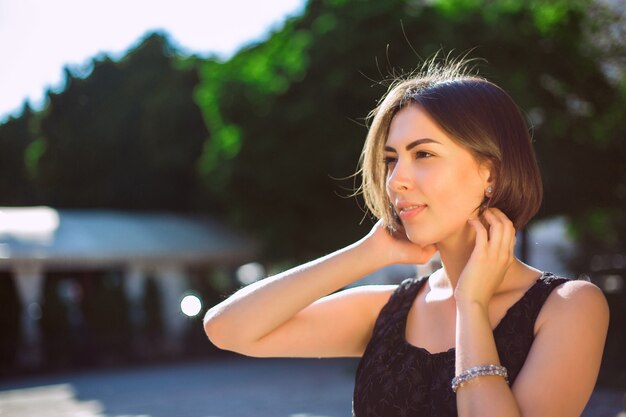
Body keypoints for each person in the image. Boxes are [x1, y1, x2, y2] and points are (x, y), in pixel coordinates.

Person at [203, 59, 609, 417]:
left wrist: (472, 305)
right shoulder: (391, 310)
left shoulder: (569, 307)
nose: (396, 181)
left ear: (491, 173)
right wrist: (368, 252)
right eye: (391, 160)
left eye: (424, 154)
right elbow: (228, 329)